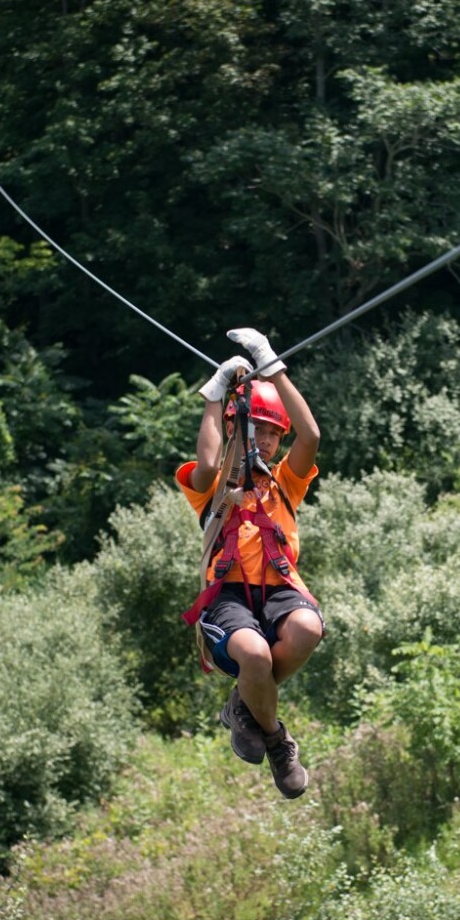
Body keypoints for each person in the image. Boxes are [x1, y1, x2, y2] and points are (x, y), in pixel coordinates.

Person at [176, 327, 324, 799]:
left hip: (280, 590)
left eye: (270, 431)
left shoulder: (285, 482)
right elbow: (205, 458)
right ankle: (277, 739)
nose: (262, 437)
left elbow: (312, 435)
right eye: (255, 427)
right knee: (255, 656)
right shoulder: (214, 487)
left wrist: (270, 362)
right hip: (229, 598)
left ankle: (244, 702)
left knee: (308, 630)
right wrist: (214, 397)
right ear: (241, 430)